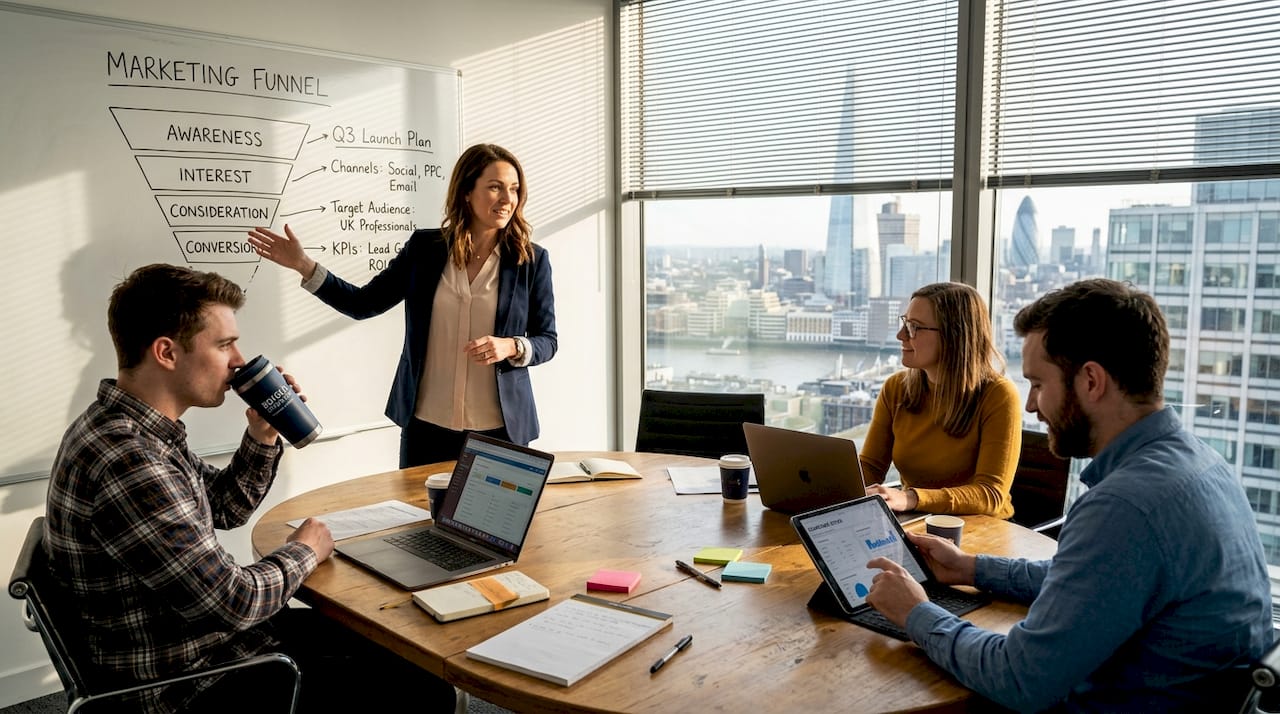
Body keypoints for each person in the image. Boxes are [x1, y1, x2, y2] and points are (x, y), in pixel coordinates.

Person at [43, 264, 456, 713]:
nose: (239, 360)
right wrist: (305, 550)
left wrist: (263, 433)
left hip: (202, 644)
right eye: (223, 345)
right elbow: (235, 602)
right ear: (166, 352)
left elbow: (225, 508)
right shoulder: (130, 460)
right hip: (191, 682)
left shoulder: (135, 430)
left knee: (396, 650)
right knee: (424, 689)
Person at [864, 278, 1273, 712]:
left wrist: (916, 614)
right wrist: (971, 567)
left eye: (1038, 384)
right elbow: (1085, 581)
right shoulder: (1201, 464)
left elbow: (1017, 677)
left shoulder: (1124, 507)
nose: (1031, 407)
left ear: (1091, 381)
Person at [248, 143, 557, 467]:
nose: (508, 199)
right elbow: (363, 303)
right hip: (426, 428)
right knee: (416, 517)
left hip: (500, 430)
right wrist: (304, 265)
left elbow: (547, 340)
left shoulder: (531, 261)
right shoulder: (425, 250)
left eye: (514, 189)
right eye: (495, 187)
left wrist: (511, 346)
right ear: (467, 192)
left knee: (493, 519)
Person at [860, 282, 1022, 518]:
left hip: (980, 531)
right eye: (905, 323)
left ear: (954, 335)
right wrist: (828, 489)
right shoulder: (896, 388)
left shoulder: (998, 395)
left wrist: (911, 498)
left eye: (914, 327)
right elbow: (871, 467)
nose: (901, 335)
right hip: (917, 521)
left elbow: (990, 495)